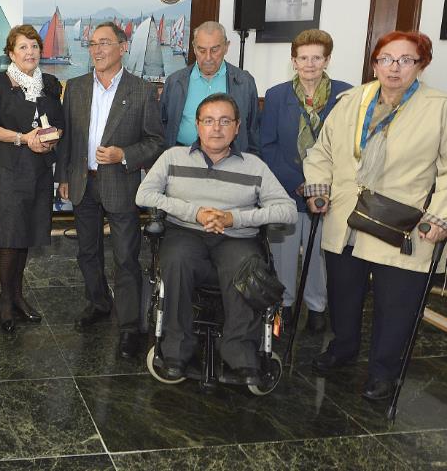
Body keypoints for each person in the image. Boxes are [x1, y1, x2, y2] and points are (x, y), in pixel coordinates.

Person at [304, 31, 447, 401]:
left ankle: (384, 371)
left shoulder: (439, 107)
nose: (394, 68)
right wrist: (319, 190)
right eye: (385, 59)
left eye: (405, 60)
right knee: (343, 293)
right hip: (346, 217)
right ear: (375, 63)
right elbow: (322, 152)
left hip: (402, 224)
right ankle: (343, 347)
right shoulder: (352, 99)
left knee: (395, 303)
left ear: (422, 64)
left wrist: (439, 216)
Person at [137, 93, 297, 384]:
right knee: (175, 260)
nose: (216, 128)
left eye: (225, 121)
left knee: (246, 267)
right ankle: (175, 350)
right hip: (186, 233)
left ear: (237, 127)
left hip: (236, 238)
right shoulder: (173, 157)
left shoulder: (254, 166)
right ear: (197, 126)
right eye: (208, 121)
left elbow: (287, 211)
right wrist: (195, 213)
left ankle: (240, 353)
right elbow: (144, 194)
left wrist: (234, 218)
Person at [56, 21, 164, 358]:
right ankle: (99, 303)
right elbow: (68, 138)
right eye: (92, 44)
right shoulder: (74, 87)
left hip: (121, 182)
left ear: (122, 46)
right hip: (82, 180)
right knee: (87, 251)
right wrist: (62, 176)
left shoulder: (142, 91)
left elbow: (156, 142)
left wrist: (124, 155)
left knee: (125, 257)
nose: (97, 50)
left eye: (104, 43)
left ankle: (130, 326)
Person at [260, 29, 352, 333]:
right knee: (283, 252)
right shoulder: (275, 96)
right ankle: (284, 305)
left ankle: (316, 306)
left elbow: (349, 149)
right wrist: (299, 183)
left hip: (328, 192)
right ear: (294, 61)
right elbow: (267, 145)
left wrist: (319, 184)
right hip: (287, 188)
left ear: (327, 60)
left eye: (317, 57)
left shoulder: (346, 95)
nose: (309, 64)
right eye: (303, 58)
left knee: (319, 254)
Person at [0, 25, 64, 331]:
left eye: (34, 47)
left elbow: (59, 124)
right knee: (10, 237)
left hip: (39, 170)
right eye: (23, 47)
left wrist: (52, 138)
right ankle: (4, 299)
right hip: (10, 169)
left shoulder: (51, 84)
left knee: (25, 234)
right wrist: (22, 138)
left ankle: (17, 296)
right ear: (11, 53)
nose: (30, 53)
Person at [160, 21, 260, 152]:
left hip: (230, 160)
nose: (208, 57)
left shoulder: (244, 82)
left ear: (226, 47)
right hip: (183, 158)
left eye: (214, 50)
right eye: (202, 50)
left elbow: (254, 131)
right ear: (194, 48)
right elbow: (160, 127)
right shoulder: (175, 82)